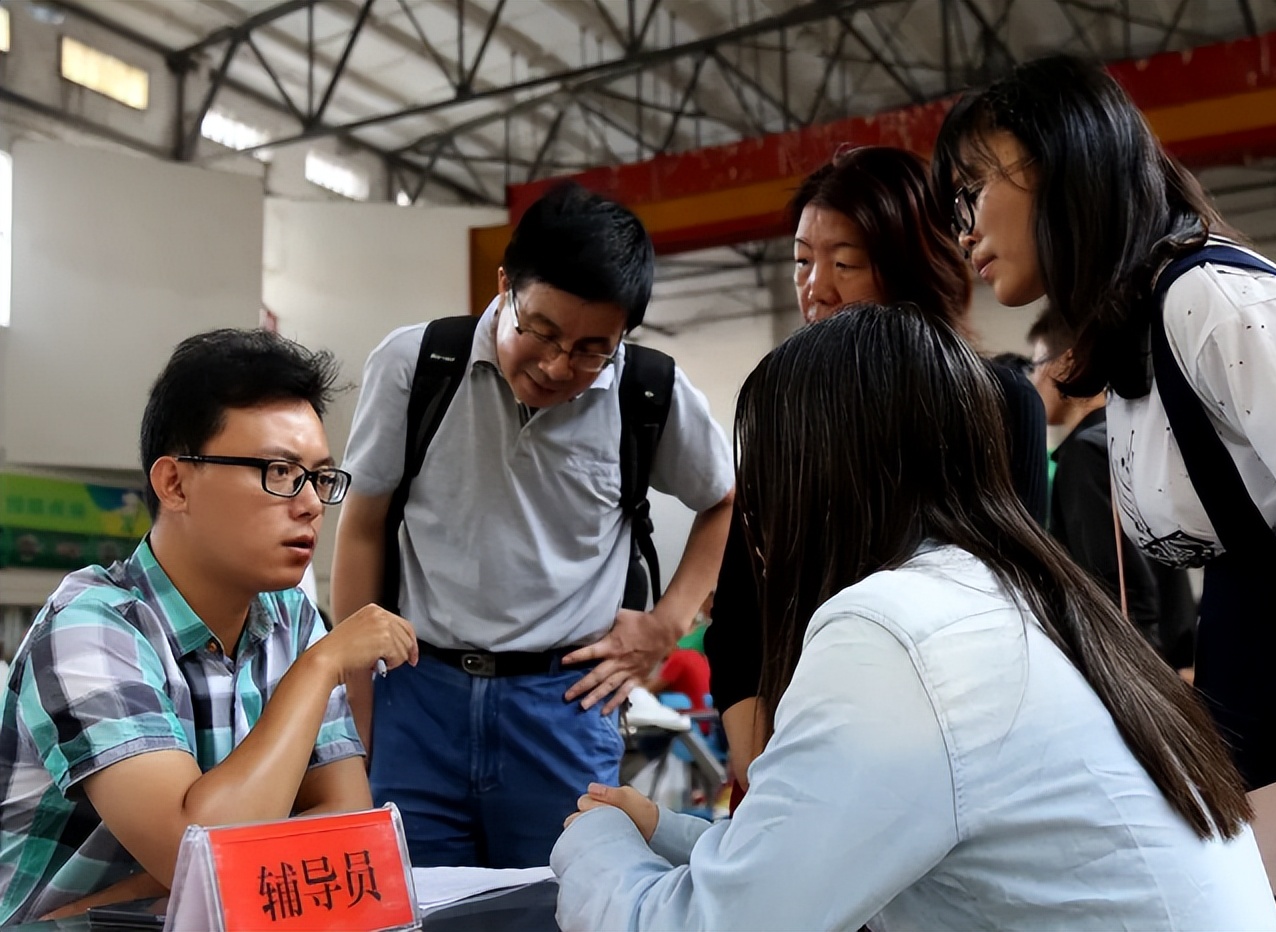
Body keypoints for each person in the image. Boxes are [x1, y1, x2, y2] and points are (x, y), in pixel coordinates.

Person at [551, 304, 1276, 930]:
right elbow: (817, 851)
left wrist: (599, 839)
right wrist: (668, 833)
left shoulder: (894, 629)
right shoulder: (1030, 596)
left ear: (815, 481)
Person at [933, 53, 1276, 909]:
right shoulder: (1133, 334)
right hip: (1251, 705)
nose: (964, 230)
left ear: (1059, 162)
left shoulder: (1210, 302)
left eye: (972, 191)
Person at [331, 183, 734, 868]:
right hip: (418, 694)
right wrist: (356, 700)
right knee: (415, 905)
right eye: (540, 330)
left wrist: (664, 626)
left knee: (553, 903)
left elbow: (726, 500)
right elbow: (363, 527)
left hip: (564, 704)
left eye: (589, 349)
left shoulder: (647, 393)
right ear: (504, 287)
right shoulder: (418, 365)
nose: (555, 366)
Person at [0, 329, 417, 925]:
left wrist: (186, 876)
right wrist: (320, 668)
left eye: (320, 477)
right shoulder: (90, 628)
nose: (310, 505)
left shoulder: (291, 619)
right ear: (174, 483)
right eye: (278, 470)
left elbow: (346, 827)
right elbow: (193, 853)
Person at [704, 145, 1047, 798]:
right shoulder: (783, 419)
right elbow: (739, 628)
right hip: (797, 760)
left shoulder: (1003, 402)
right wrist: (765, 769)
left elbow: (1024, 609)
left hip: (956, 763)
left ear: (910, 266)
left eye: (845, 263)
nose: (816, 287)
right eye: (802, 261)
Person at [1028, 308, 1197, 671]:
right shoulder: (1130, 436)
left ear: (1066, 361)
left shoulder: (1086, 453)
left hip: (1143, 670)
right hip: (1178, 655)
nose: (1033, 379)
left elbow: (1120, 593)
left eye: (1037, 363)